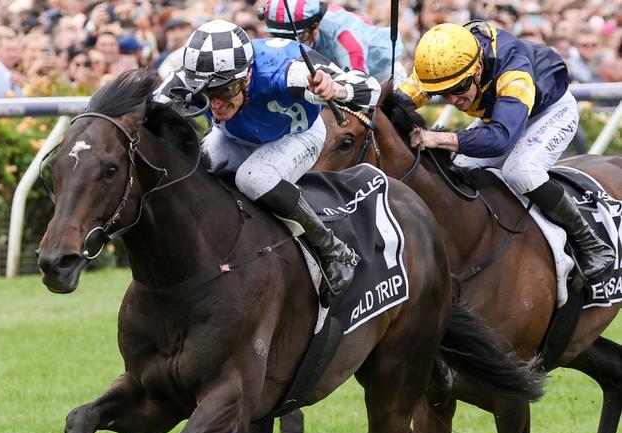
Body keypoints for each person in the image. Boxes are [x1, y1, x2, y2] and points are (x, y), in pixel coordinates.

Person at [154, 20, 381, 297]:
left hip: (297, 135)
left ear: (248, 76)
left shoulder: (287, 72)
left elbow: (372, 89)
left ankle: (333, 249)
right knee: (197, 171)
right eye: (207, 93)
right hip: (234, 137)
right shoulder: (196, 74)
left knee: (254, 177)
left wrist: (336, 89)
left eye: (226, 91)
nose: (216, 104)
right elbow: (149, 108)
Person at [399, 21, 614, 279]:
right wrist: (347, 93)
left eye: (458, 89)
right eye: (442, 94)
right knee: (459, 169)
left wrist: (437, 137)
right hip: (503, 114)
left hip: (549, 112)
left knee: (520, 171)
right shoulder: (445, 64)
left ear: (477, 69)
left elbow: (501, 138)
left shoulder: (513, 70)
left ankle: (591, 243)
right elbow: (399, 99)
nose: (453, 101)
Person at [261, 0, 405, 83]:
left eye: (298, 37)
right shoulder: (309, 25)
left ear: (315, 26)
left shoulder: (345, 36)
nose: (288, 44)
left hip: (381, 75)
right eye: (278, 36)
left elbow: (359, 86)